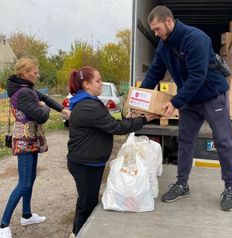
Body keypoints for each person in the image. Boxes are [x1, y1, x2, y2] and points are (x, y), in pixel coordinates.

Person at [140, 5, 232, 211]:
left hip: (212, 96)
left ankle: (229, 187)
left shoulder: (196, 39)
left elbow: (197, 77)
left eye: (157, 29)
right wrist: (139, 99)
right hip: (190, 100)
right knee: (185, 141)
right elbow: (154, 73)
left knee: (223, 141)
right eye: (153, 31)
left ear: (169, 21)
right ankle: (182, 183)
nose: (156, 34)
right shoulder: (164, 46)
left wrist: (175, 102)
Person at [67, 66, 158, 237]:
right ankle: (78, 233)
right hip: (85, 164)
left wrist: (128, 119)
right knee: (86, 203)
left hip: (88, 162)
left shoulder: (89, 103)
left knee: (89, 201)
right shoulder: (88, 106)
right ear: (86, 84)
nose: (101, 84)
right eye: (98, 81)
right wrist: (143, 119)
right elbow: (114, 127)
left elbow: (107, 122)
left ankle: (79, 232)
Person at [0, 57, 70, 238]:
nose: (37, 75)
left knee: (30, 178)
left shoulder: (26, 88)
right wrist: (44, 107)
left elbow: (44, 97)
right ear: (25, 73)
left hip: (30, 139)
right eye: (35, 72)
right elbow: (41, 116)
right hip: (25, 140)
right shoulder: (23, 92)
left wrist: (63, 110)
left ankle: (27, 215)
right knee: (24, 182)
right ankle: (3, 225)